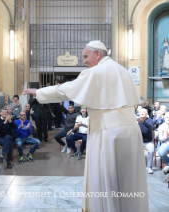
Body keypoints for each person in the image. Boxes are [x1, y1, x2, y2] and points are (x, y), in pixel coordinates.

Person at [23, 40, 148, 212]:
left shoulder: (96, 72)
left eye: (86, 56)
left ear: (97, 54)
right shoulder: (123, 71)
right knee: (128, 180)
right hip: (130, 131)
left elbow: (66, 90)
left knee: (107, 182)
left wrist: (39, 92)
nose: (84, 61)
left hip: (108, 132)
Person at [137, 109, 154, 174]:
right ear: (139, 113)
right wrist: (137, 123)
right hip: (138, 141)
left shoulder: (150, 120)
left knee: (151, 150)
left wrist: (143, 121)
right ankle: (137, 167)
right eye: (141, 112)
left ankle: (149, 167)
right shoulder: (136, 120)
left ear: (147, 113)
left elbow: (151, 127)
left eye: (144, 112)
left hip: (148, 142)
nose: (142, 113)